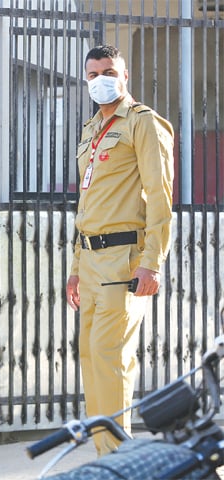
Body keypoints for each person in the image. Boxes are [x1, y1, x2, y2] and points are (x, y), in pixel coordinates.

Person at [65, 45, 174, 456]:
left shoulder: (142, 123)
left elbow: (160, 198)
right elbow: (86, 204)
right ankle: (105, 459)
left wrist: (153, 264)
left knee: (110, 363)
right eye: (92, 74)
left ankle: (115, 463)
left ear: (124, 75)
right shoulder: (90, 131)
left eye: (108, 71)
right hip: (90, 263)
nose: (100, 80)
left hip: (123, 261)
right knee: (92, 362)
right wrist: (76, 268)